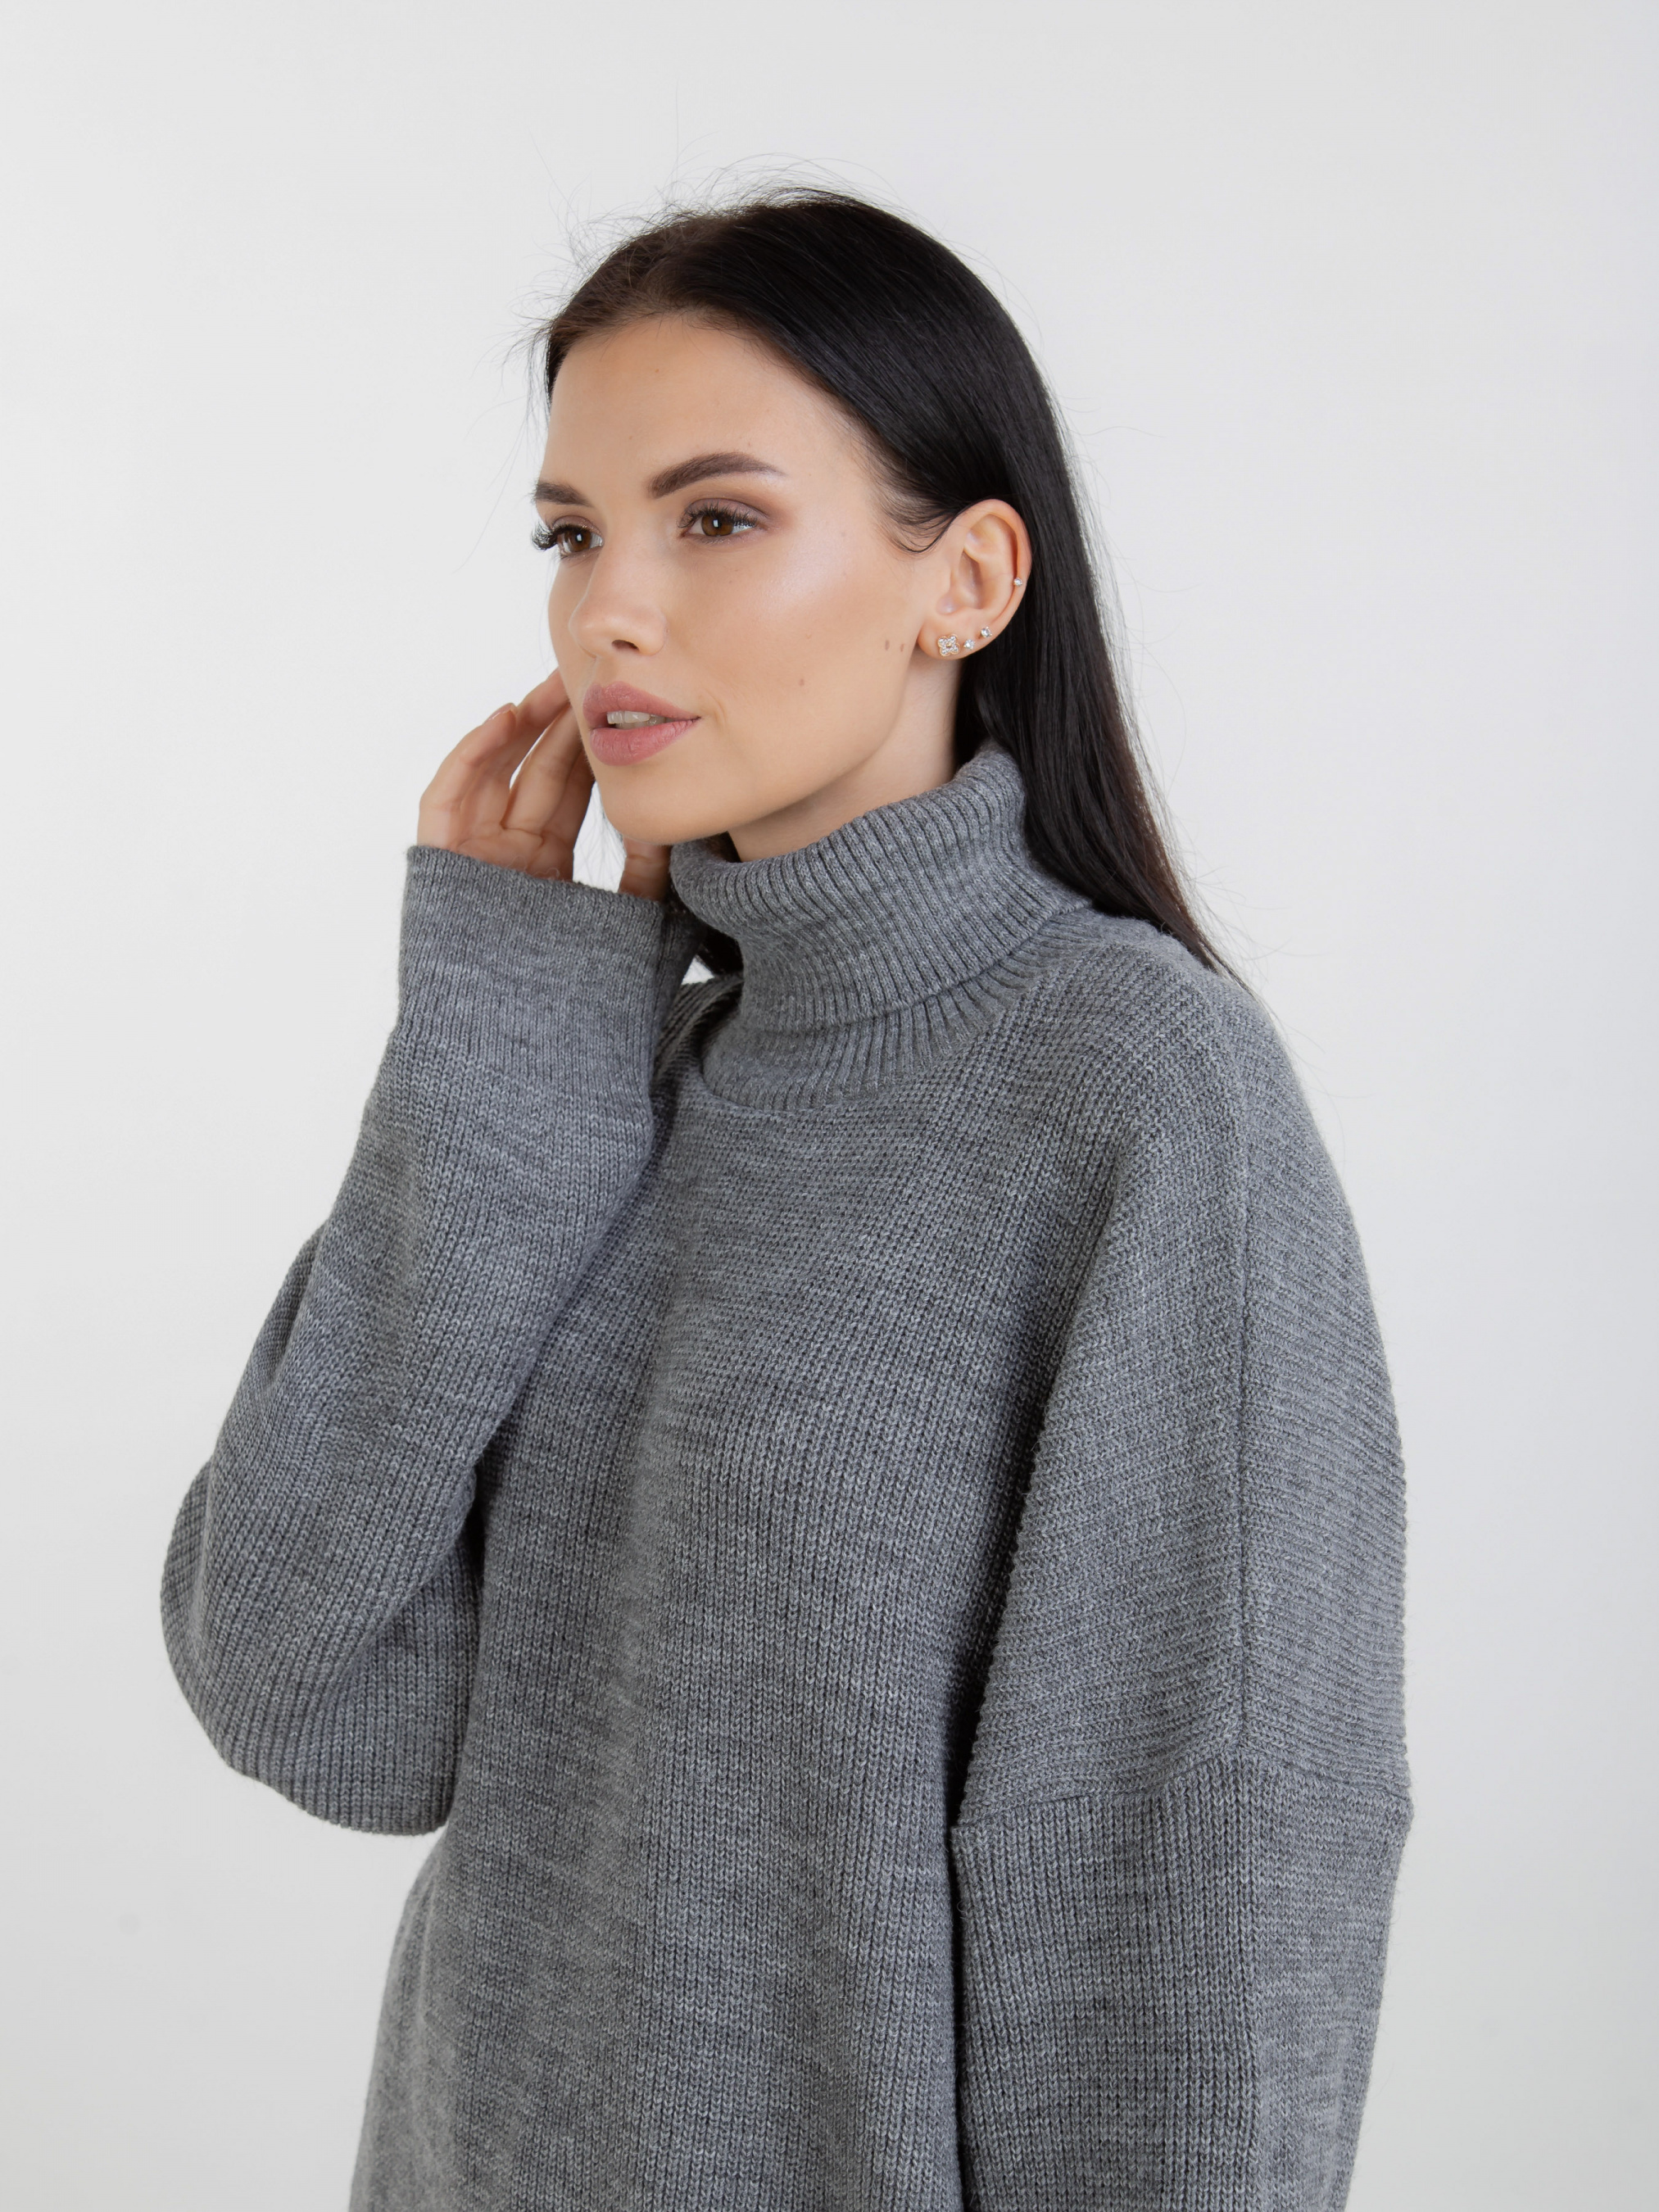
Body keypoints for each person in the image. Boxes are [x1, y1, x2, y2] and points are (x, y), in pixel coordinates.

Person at [160, 187, 1413, 2210]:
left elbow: (1189, 1887)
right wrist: (494, 1042)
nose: (608, 613)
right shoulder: (614, 1071)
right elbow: (311, 1697)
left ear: (965, 581)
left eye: (716, 519)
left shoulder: (1129, 1092)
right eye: (572, 535)